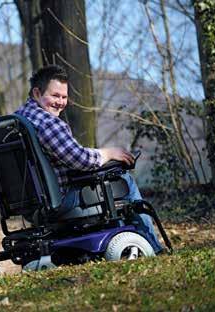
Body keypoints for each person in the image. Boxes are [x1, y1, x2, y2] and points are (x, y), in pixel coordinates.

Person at [15, 65, 163, 254]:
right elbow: (81, 160)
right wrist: (108, 153)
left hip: (29, 206)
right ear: (37, 92)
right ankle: (153, 247)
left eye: (64, 97)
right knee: (122, 179)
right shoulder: (47, 123)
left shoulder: (17, 121)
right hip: (59, 201)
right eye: (55, 96)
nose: (60, 102)